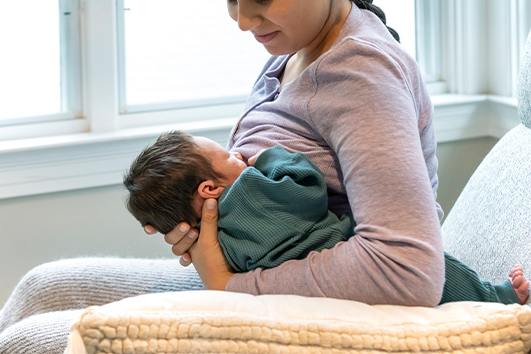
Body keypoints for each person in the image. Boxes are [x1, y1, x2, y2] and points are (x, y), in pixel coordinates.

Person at [0, 0, 528, 354]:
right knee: (44, 284)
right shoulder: (295, 49)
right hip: (271, 284)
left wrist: (230, 286)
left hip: (331, 311)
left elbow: (407, 271)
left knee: (31, 342)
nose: (243, 19)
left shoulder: (359, 74)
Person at [124, 130, 529, 305]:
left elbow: (228, 275)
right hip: (339, 250)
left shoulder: (213, 241)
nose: (239, 154)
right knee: (444, 273)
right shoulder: (252, 189)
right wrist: (268, 155)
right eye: (228, 155)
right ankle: (499, 298)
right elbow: (307, 188)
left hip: (292, 289)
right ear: (209, 189)